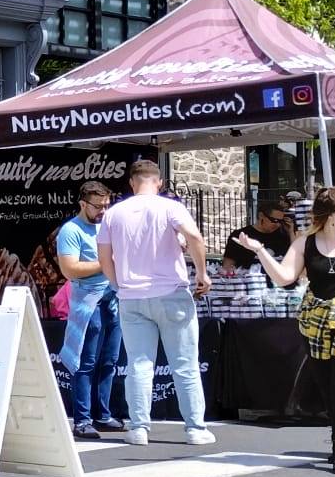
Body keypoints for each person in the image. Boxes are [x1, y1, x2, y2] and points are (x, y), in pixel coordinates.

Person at [234, 186, 335, 475]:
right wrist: (259, 250)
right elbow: (284, 277)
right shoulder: (305, 243)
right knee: (328, 389)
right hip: (319, 322)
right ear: (329, 216)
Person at [97, 159, 214, 448]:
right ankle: (195, 428)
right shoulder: (170, 207)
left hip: (131, 296)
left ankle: (138, 427)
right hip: (170, 291)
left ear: (132, 183)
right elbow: (195, 236)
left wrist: (117, 284)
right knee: (184, 363)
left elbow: (104, 257)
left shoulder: (114, 213)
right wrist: (201, 273)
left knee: (138, 364)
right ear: (159, 182)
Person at [54, 181, 124, 440]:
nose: (103, 211)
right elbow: (70, 269)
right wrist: (106, 264)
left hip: (112, 297)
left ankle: (103, 415)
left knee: (109, 360)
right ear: (83, 204)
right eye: (98, 206)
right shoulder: (71, 230)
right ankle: (82, 420)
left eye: (107, 205)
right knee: (86, 362)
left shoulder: (110, 226)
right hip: (87, 300)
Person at [222, 199, 292, 274]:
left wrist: (291, 232)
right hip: (247, 280)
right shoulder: (240, 235)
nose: (278, 225)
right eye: (274, 220)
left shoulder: (282, 237)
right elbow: (228, 265)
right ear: (261, 215)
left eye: (281, 221)